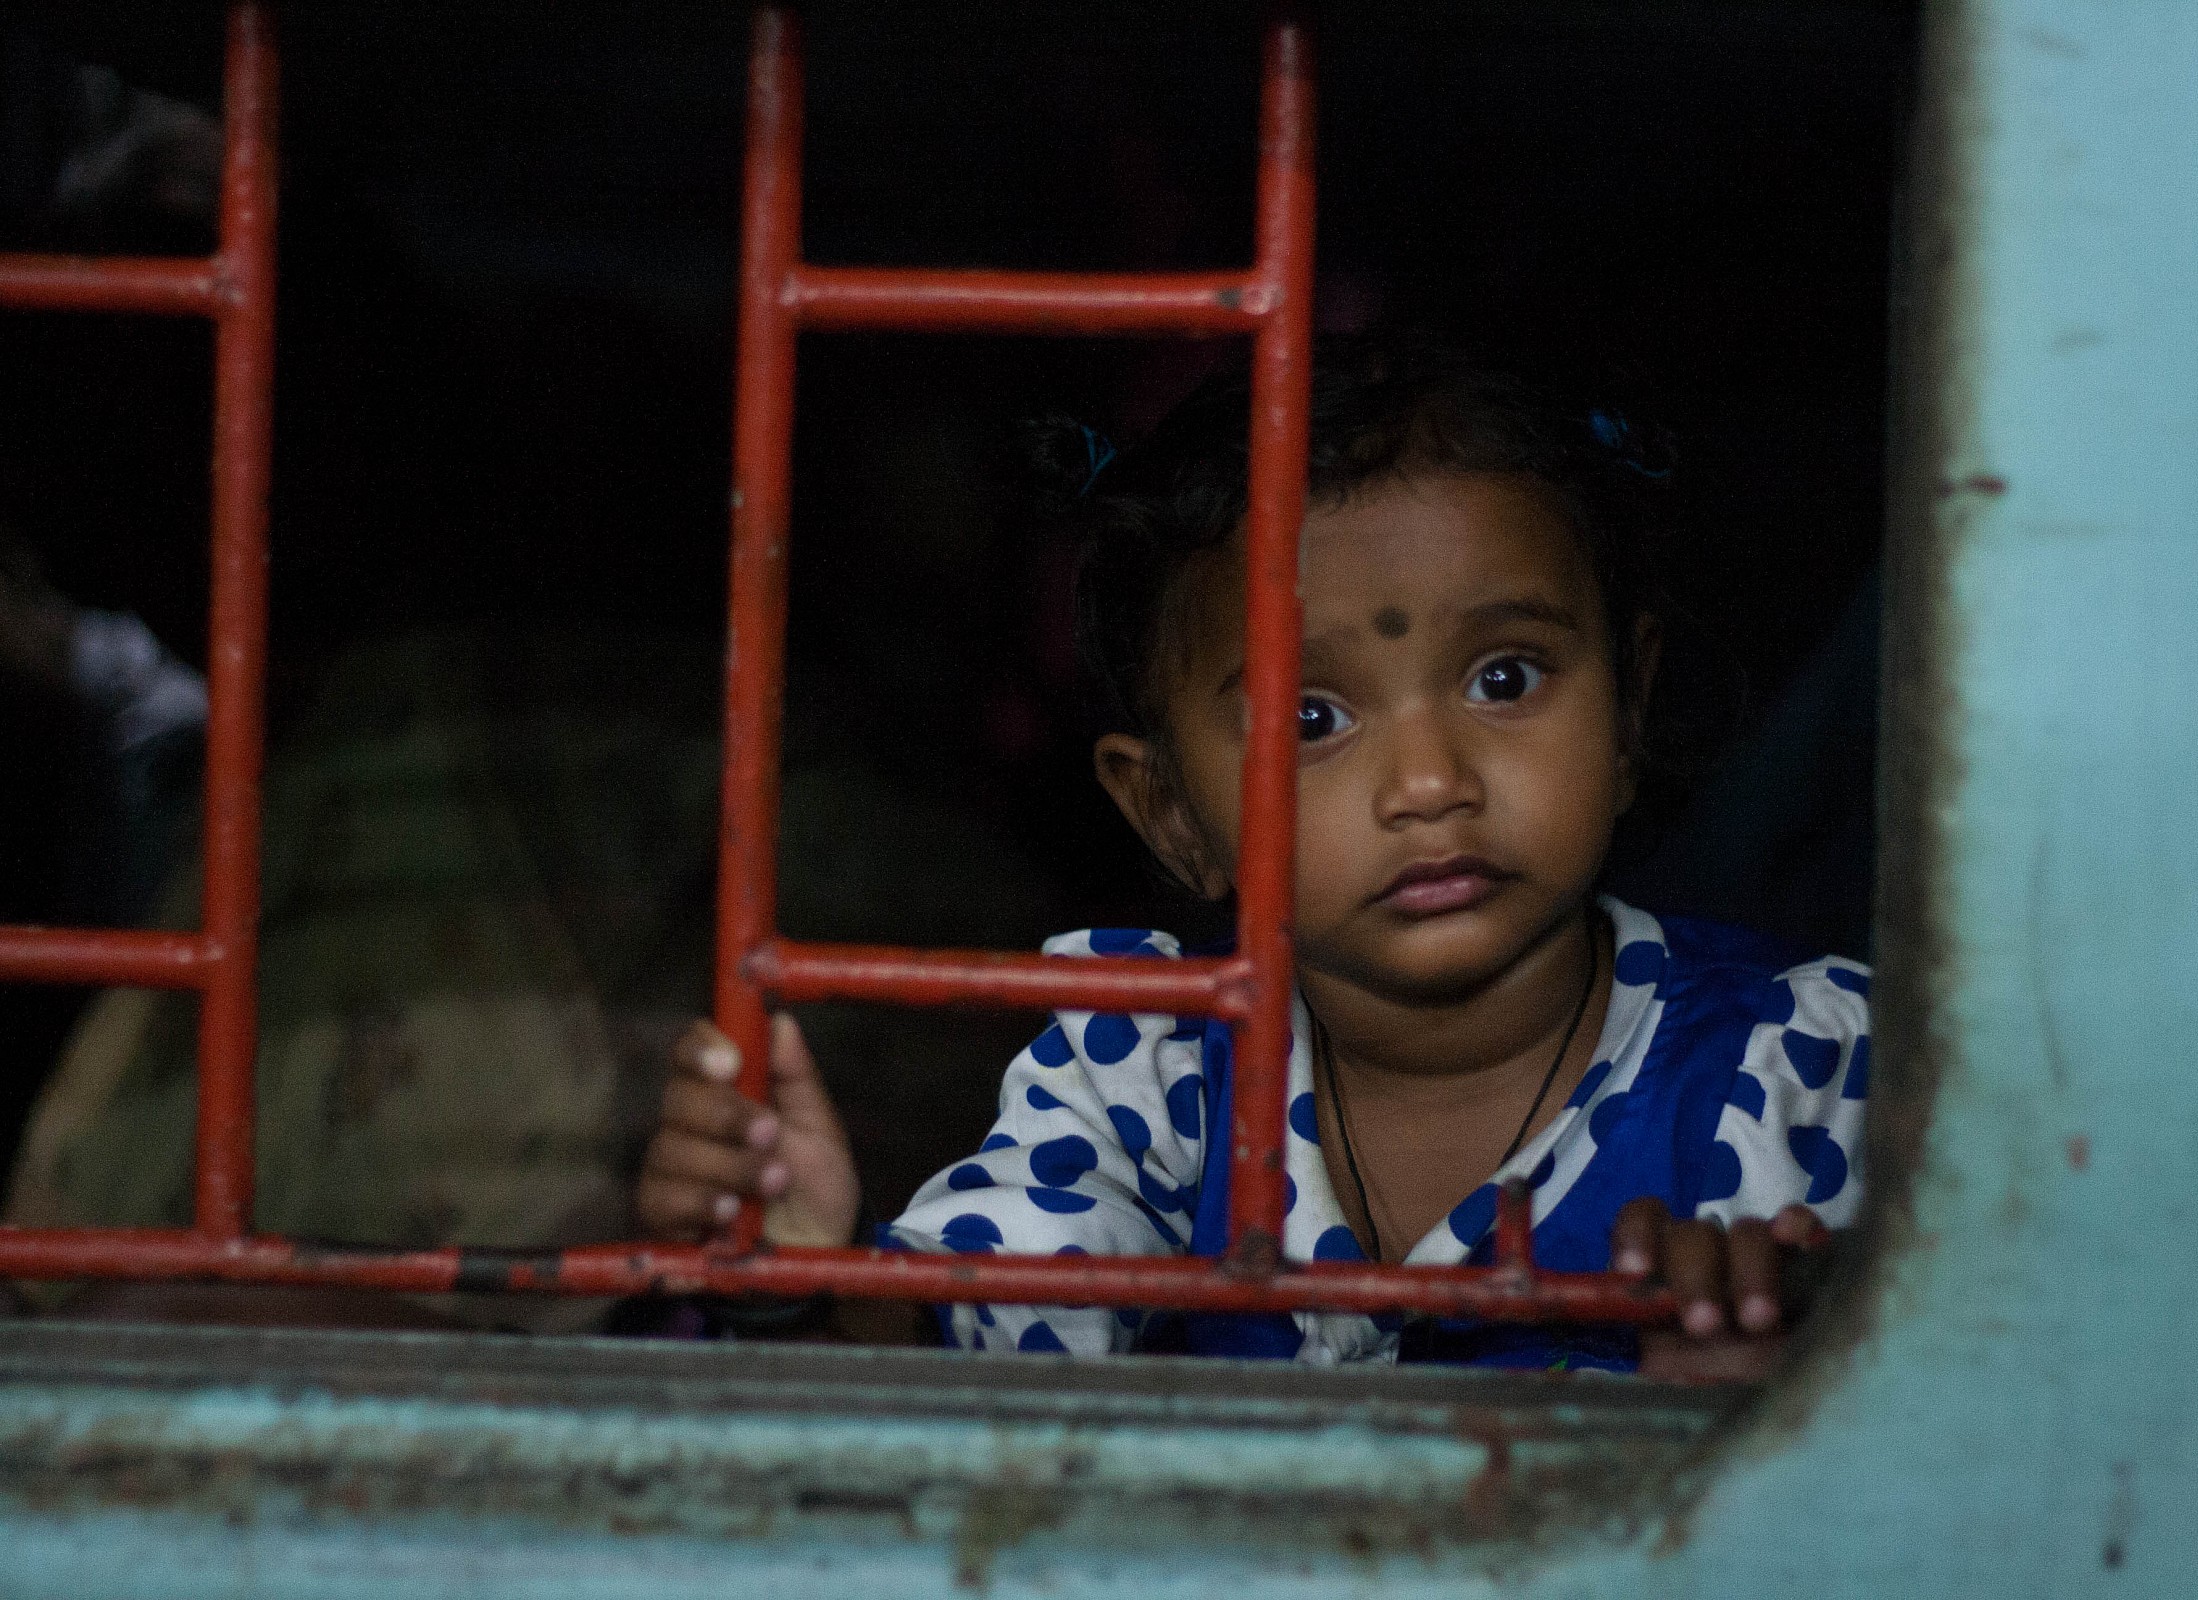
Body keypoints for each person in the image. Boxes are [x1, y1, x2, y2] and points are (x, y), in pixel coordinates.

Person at [635, 334, 1869, 1372]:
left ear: (1629, 711)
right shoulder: (1148, 1064)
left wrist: (1797, 1393)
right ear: (1171, 811)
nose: (1430, 781)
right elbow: (961, 1362)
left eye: (1506, 678)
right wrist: (785, 1273)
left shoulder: (1805, 1070)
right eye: (1310, 720)